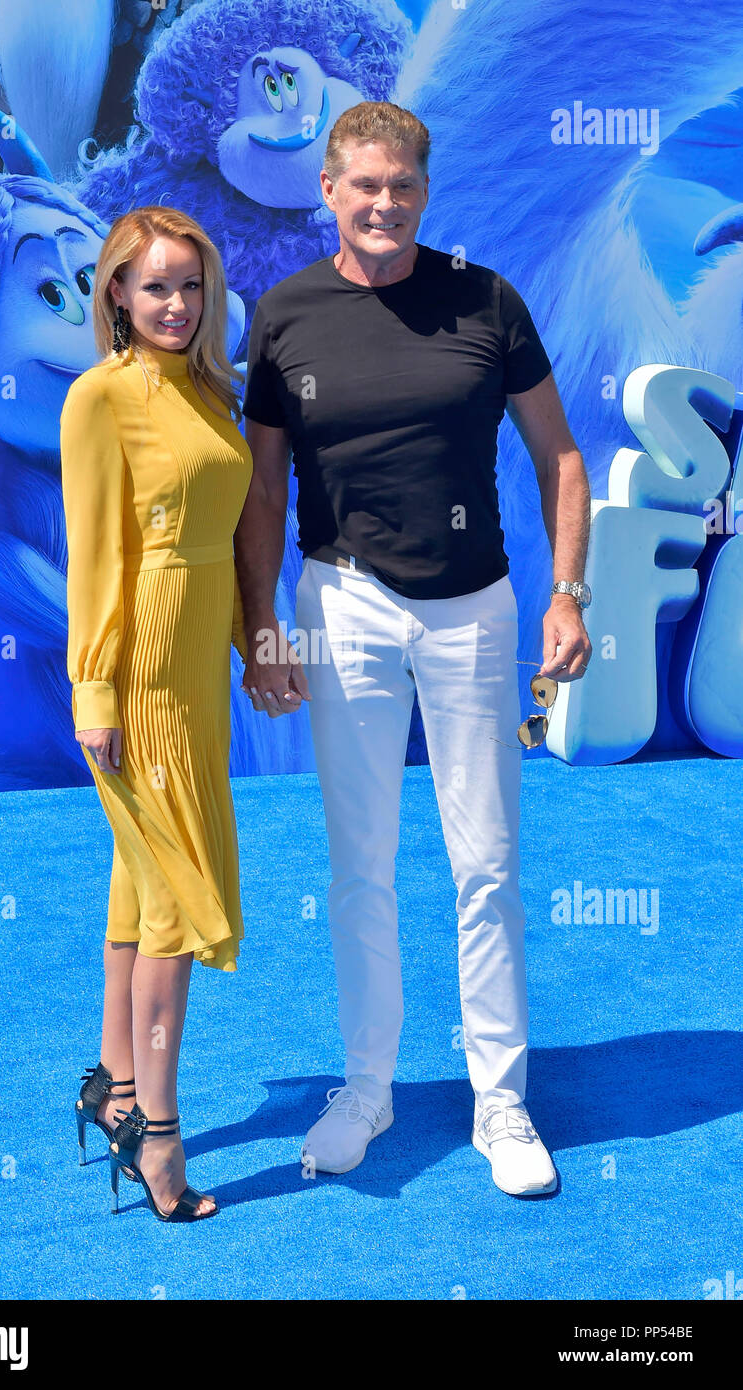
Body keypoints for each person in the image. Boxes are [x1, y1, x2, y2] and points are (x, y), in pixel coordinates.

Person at [235, 101, 591, 1197]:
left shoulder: (485, 299)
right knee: (360, 866)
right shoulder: (284, 316)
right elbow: (261, 488)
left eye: (401, 186)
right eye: (362, 186)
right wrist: (262, 624)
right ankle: (366, 1089)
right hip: (340, 607)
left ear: (423, 193)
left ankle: (499, 1101)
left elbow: (562, 460)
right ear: (327, 193)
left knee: (485, 863)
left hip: (472, 610)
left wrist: (566, 594)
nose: (382, 204)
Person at [60, 206, 252, 1221]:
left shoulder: (209, 390)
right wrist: (94, 688)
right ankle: (158, 1134)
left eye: (189, 285)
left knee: (142, 889)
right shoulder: (100, 398)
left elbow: (217, 537)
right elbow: (96, 555)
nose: (174, 304)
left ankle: (113, 1085)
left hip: (196, 676)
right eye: (154, 286)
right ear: (117, 297)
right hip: (135, 675)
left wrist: (244, 643)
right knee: (178, 898)